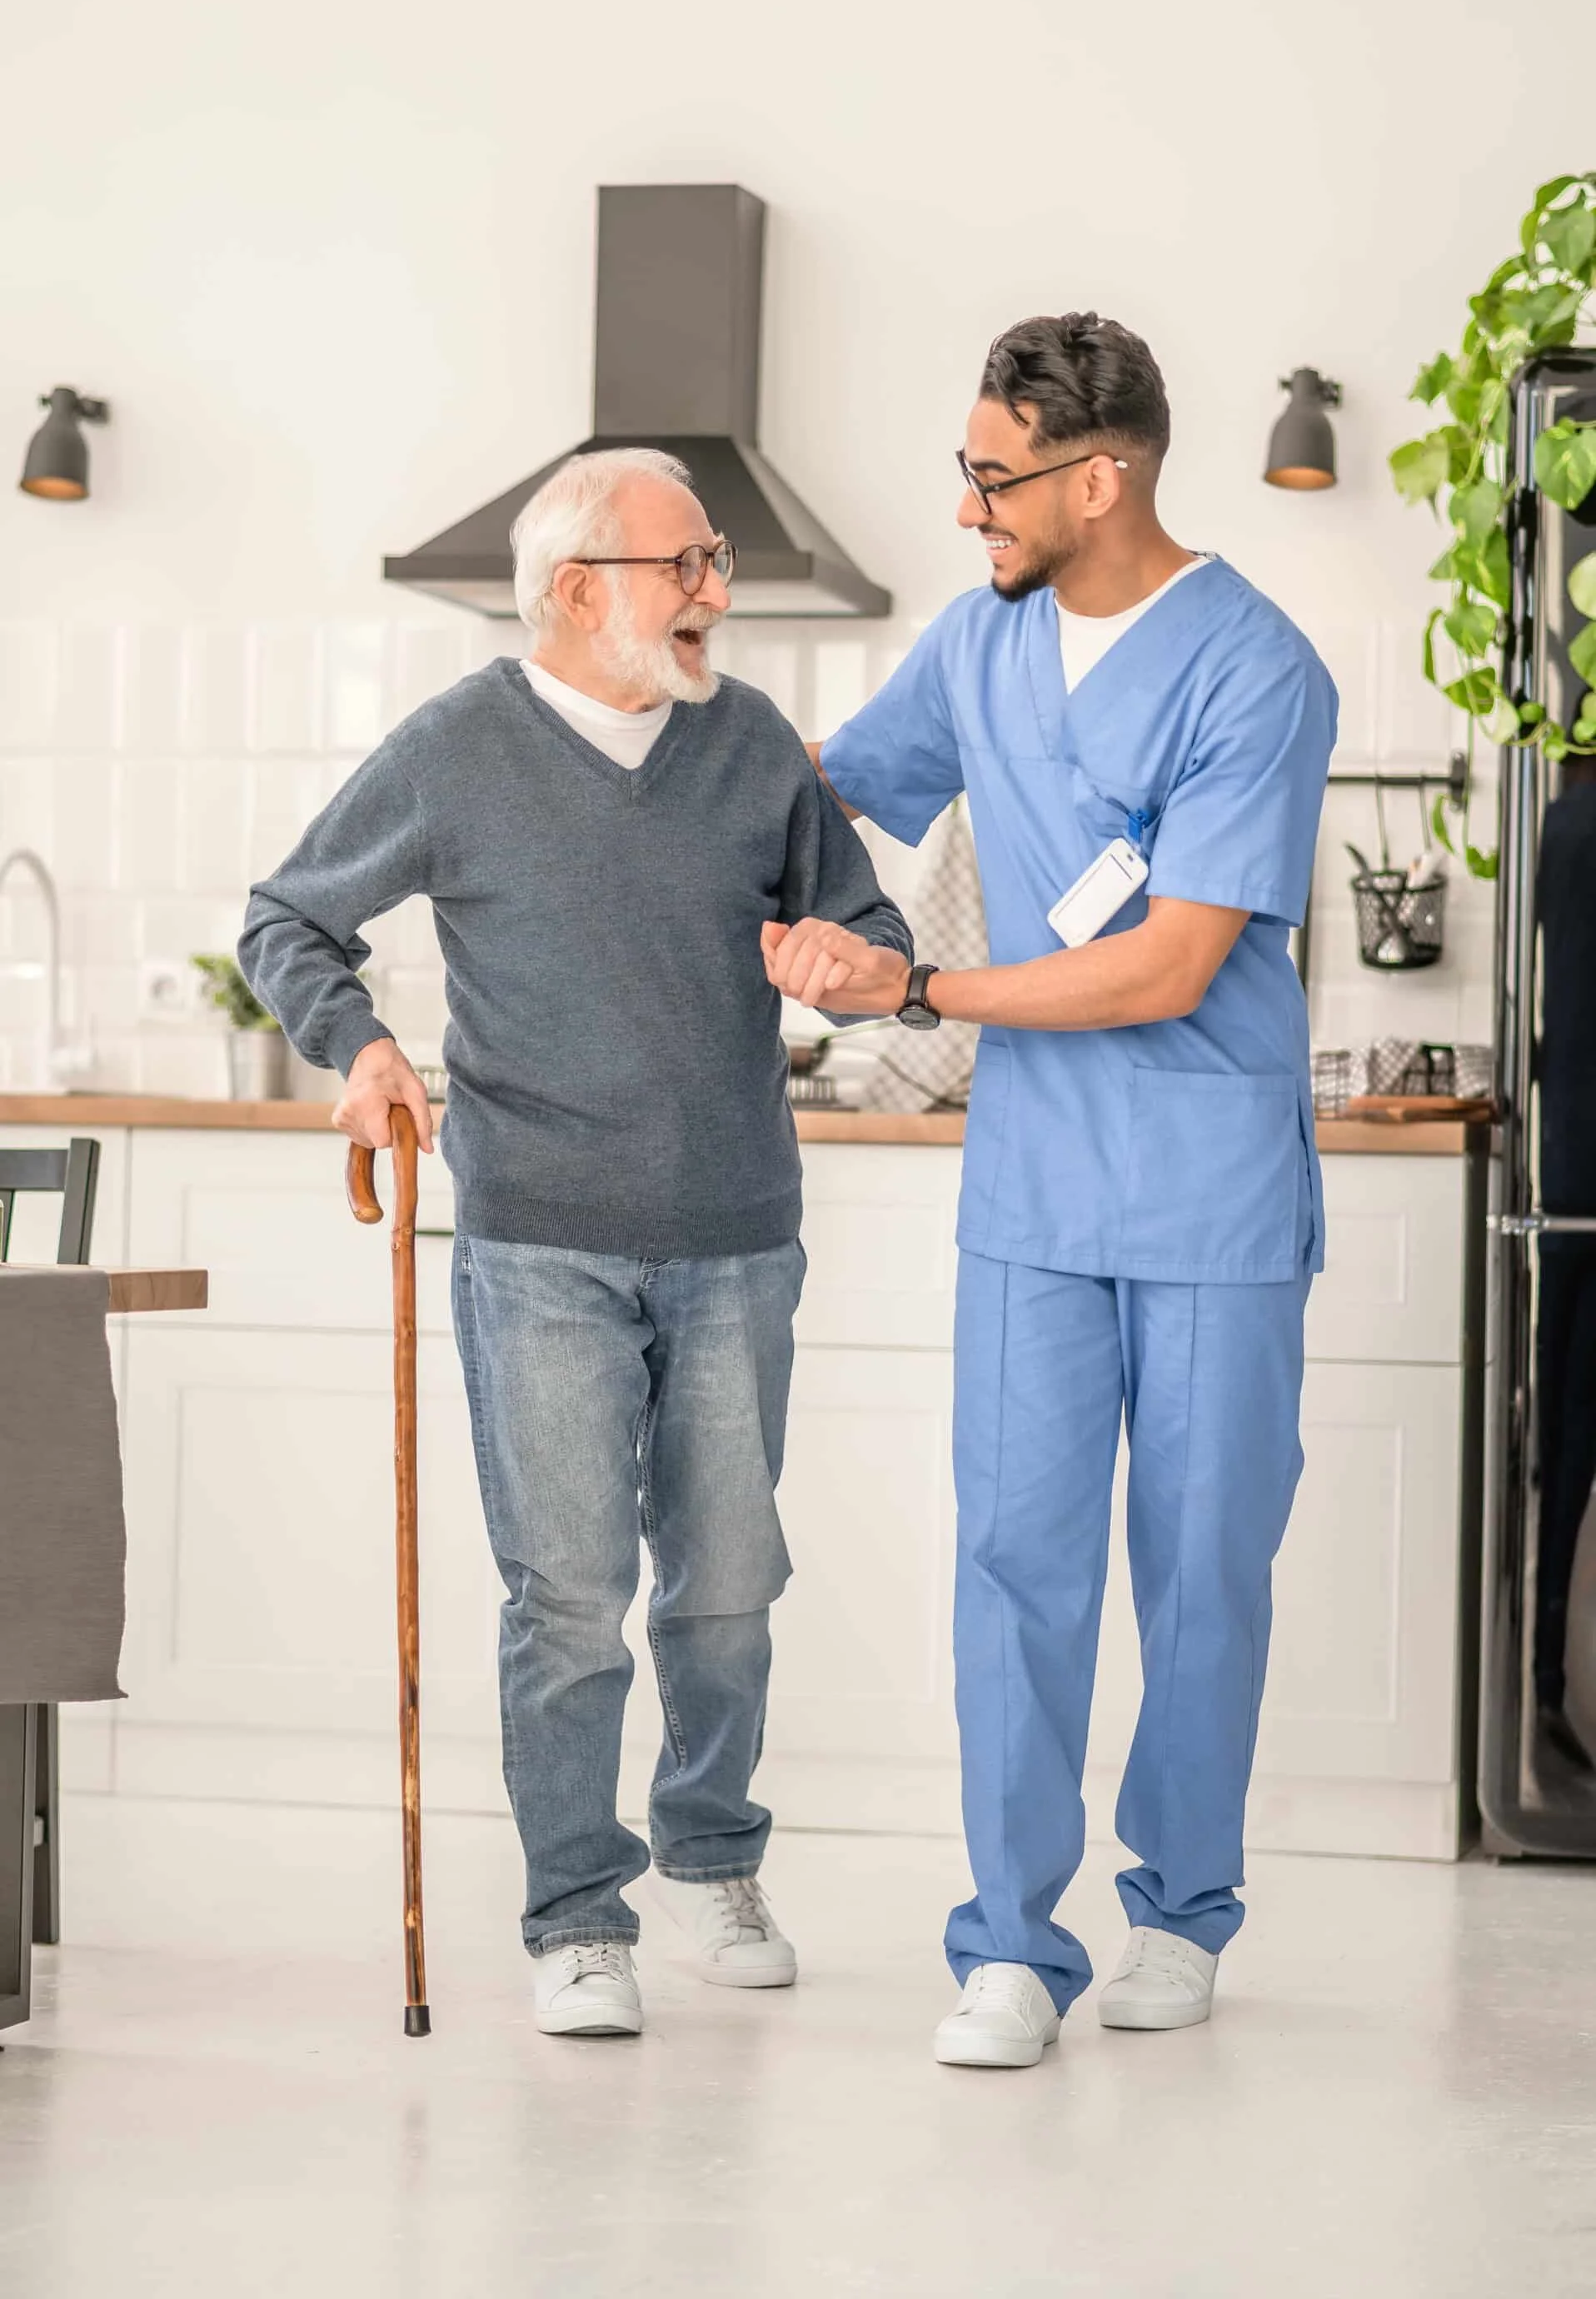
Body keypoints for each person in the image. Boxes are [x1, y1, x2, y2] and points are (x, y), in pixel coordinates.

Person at [240, 448, 910, 2039]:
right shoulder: (460, 748)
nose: (711, 595)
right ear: (571, 593)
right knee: (568, 1596)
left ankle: (711, 1855)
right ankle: (574, 1915)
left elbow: (870, 932)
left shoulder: (750, 745)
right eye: (681, 566)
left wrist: (849, 958)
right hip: (538, 1239)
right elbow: (288, 918)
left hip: (738, 1232)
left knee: (729, 1583)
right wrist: (363, 1050)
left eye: (714, 563)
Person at [767, 312, 1335, 2068]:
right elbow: (823, 797)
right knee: (1013, 1561)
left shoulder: (1259, 669)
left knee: (1199, 1564)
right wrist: (645, 759)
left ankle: (1178, 1911)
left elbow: (1167, 964)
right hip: (1032, 1189)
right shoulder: (978, 646)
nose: (967, 513)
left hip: (1207, 1184)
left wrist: (913, 989)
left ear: (1099, 479)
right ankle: (1009, 1941)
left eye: (988, 478)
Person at [1533, 749, 1596, 1778]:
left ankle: (1552, 1691)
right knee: (1574, 1437)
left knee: (1568, 1442)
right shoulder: (1581, 824)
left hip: (1572, 1173)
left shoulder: (1567, 819)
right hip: (1581, 1186)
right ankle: (1554, 1697)